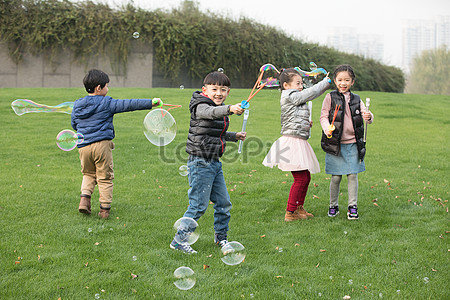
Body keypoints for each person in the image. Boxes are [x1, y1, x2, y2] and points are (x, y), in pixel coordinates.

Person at [170, 71, 246, 254]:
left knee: (224, 203)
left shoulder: (216, 107)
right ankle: (179, 241)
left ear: (228, 91)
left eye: (223, 89)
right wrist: (229, 109)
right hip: (199, 163)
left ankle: (221, 238)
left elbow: (214, 133)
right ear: (205, 90)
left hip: (214, 163)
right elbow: (209, 113)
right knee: (198, 205)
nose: (219, 93)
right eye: (214, 89)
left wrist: (233, 136)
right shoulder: (200, 105)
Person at [71, 69, 161, 219]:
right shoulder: (107, 103)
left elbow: (75, 125)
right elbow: (129, 104)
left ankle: (84, 201)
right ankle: (104, 211)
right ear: (98, 88)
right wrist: (151, 103)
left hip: (83, 145)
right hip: (102, 146)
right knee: (105, 177)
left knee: (88, 173)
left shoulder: (78, 104)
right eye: (106, 86)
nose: (108, 89)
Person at [263, 68, 331, 221]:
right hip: (292, 142)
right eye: (298, 83)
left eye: (302, 83)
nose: (301, 86)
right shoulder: (290, 95)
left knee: (305, 177)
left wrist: (306, 123)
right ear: (286, 85)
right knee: (300, 178)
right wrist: (325, 83)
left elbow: (295, 116)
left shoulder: (293, 96)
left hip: (297, 139)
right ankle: (290, 211)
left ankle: (299, 207)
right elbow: (310, 93)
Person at [320, 64, 373, 220]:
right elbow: (323, 116)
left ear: (352, 82)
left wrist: (369, 117)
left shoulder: (357, 99)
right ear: (335, 81)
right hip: (335, 143)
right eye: (340, 80)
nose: (343, 83)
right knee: (336, 177)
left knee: (352, 176)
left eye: (347, 80)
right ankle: (333, 205)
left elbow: (366, 115)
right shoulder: (329, 97)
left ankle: (352, 206)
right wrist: (326, 128)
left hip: (353, 144)